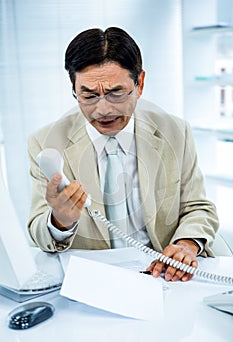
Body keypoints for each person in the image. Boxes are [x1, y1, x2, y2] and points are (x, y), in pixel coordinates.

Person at [27, 27, 219, 282]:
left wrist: (186, 244)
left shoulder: (175, 132)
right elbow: (37, 231)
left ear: (139, 84)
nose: (103, 109)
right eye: (89, 95)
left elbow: (198, 207)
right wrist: (60, 221)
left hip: (166, 277)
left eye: (116, 93)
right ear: (73, 87)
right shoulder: (44, 142)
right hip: (94, 283)